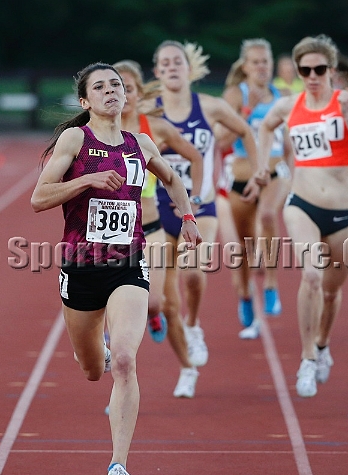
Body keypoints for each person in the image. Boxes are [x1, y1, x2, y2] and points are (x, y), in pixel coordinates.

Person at [30, 62, 201, 475]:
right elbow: (38, 197)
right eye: (100, 87)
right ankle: (97, 354)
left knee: (126, 361)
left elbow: (172, 178)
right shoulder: (75, 139)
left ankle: (118, 467)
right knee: (92, 370)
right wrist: (86, 179)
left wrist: (187, 216)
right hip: (80, 268)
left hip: (129, 264)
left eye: (117, 86)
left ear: (126, 96)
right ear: (86, 101)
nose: (111, 92)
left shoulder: (140, 143)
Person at [256, 35, 348, 398]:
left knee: (331, 291)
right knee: (310, 276)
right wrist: (265, 164)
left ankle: (323, 345)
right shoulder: (289, 105)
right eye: (304, 69)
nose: (311, 75)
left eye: (319, 69)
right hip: (303, 206)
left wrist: (347, 119)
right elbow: (265, 127)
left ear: (332, 70)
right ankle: (307, 358)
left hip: (344, 213)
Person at [152, 40, 260, 364]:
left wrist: (258, 171)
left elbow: (245, 131)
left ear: (189, 69)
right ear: (157, 72)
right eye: (165, 63)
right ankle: (157, 314)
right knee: (160, 293)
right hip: (158, 205)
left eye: (177, 62)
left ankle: (193, 325)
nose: (172, 67)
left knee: (193, 272)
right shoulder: (148, 110)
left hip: (201, 205)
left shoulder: (210, 107)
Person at [114, 59, 206, 398]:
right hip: (110, 231)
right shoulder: (90, 131)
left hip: (150, 225)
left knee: (159, 303)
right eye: (114, 88)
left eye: (128, 88)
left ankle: (158, 325)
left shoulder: (154, 129)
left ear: (138, 92)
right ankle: (120, 382)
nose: (121, 95)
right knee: (111, 306)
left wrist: (194, 199)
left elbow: (194, 157)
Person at [220, 38, 293, 338]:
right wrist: (243, 119)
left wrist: (295, 173)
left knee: (266, 215)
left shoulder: (284, 95)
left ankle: (273, 285)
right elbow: (221, 140)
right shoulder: (236, 94)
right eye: (256, 62)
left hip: (275, 172)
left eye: (266, 61)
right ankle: (246, 294)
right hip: (240, 175)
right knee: (244, 247)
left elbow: (290, 143)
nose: (262, 67)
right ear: (246, 66)